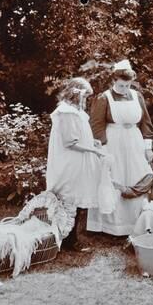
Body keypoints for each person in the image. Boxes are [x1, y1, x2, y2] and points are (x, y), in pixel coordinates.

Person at [86, 59, 153, 237]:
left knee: (137, 174)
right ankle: (111, 225)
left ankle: (136, 223)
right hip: (113, 142)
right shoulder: (104, 98)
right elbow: (96, 125)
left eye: (127, 85)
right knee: (114, 177)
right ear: (114, 81)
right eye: (121, 85)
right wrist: (102, 148)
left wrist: (148, 147)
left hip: (134, 140)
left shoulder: (137, 96)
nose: (125, 88)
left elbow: (146, 122)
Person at [46, 77, 105, 251]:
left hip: (77, 160)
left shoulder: (74, 112)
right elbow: (70, 142)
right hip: (70, 161)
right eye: (85, 96)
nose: (86, 100)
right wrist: (93, 151)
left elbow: (79, 135)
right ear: (75, 94)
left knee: (76, 197)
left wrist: (92, 142)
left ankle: (70, 239)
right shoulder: (66, 112)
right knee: (69, 198)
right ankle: (67, 240)